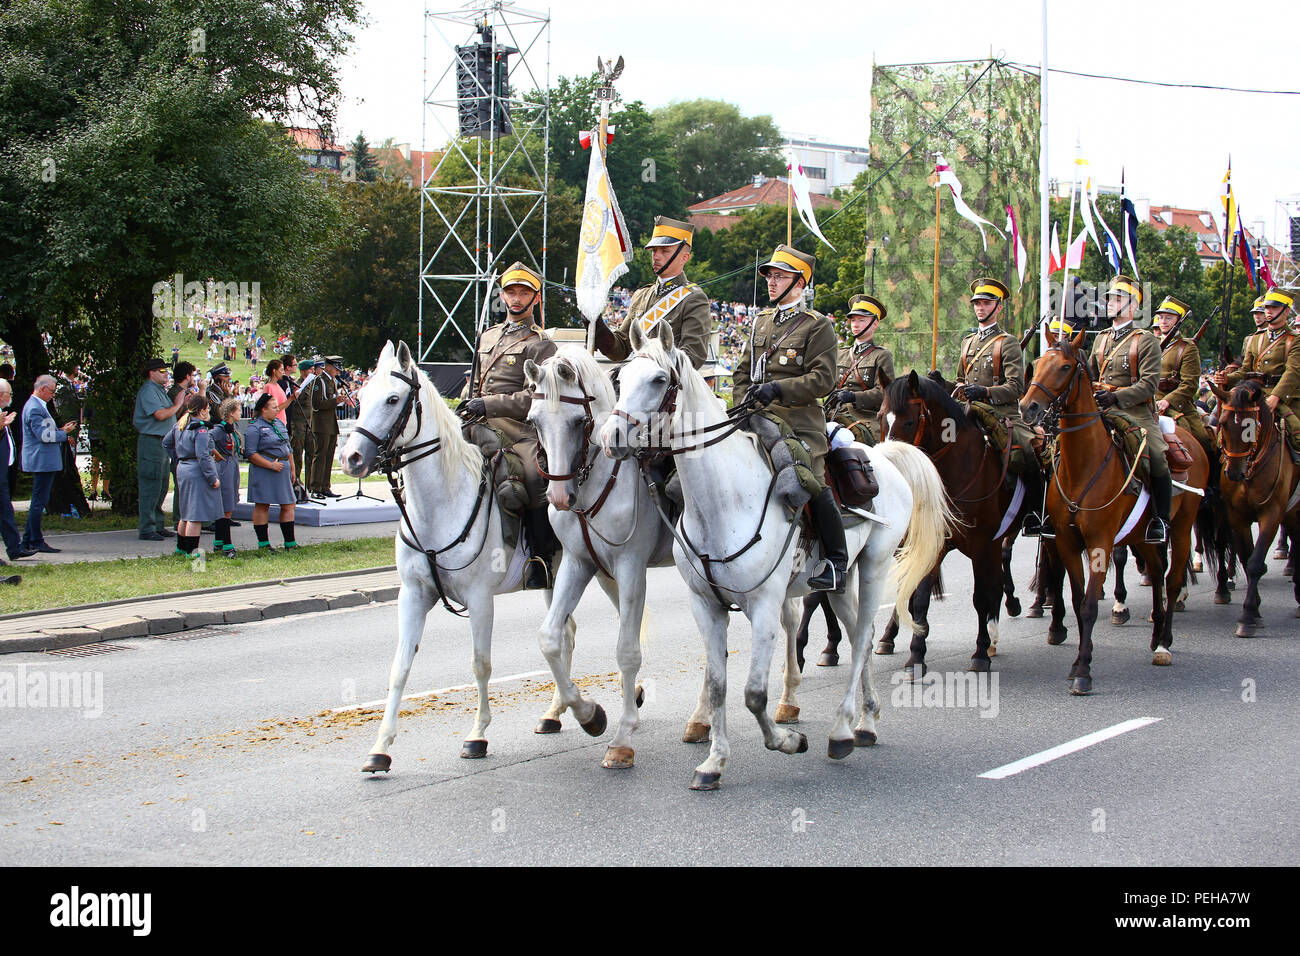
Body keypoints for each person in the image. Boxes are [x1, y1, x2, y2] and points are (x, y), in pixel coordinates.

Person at [732, 244, 845, 592]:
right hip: (755, 417)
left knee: (807, 476)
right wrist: (740, 406)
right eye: (769, 275)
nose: (771, 281)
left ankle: (835, 561)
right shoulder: (761, 322)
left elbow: (823, 381)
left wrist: (778, 390)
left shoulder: (818, 326)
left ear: (800, 283)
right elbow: (741, 372)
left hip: (799, 422)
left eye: (780, 276)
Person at [460, 262, 559, 589]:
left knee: (533, 478)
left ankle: (542, 560)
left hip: (517, 428)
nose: (516, 298)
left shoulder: (541, 342)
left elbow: (536, 397)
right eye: (511, 291)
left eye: (524, 292)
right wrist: (465, 401)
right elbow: (473, 380)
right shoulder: (487, 335)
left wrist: (487, 404)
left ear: (536, 298)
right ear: (501, 295)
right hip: (474, 418)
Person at [951, 277, 1048, 536]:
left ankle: (1035, 513)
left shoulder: (1008, 342)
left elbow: (1016, 387)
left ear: (998, 307)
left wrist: (985, 391)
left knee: (1027, 452)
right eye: (977, 303)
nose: (980, 308)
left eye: (986, 303)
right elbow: (961, 380)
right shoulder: (968, 342)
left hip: (1001, 413)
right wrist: (945, 384)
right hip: (968, 410)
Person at [1090, 274, 1170, 544]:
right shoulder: (1100, 339)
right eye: (1110, 298)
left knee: (1157, 455)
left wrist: (1116, 397)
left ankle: (1161, 519)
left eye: (1118, 299)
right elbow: (1090, 374)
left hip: (1135, 412)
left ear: (1133, 307)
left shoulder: (1145, 340)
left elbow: (1149, 385)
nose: (1111, 303)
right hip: (1100, 410)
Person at [590, 216, 711, 370]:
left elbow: (692, 357)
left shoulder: (693, 299)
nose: (656, 256)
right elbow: (620, 351)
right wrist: (597, 325)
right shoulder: (642, 295)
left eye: (665, 251)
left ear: (684, 257)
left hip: (671, 388)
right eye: (654, 251)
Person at [1218, 288, 1300, 463]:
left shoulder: (1295, 340)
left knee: (1297, 435)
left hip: (1282, 399)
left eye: (1274, 308)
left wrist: (1276, 397)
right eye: (1267, 307)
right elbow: (1245, 371)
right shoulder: (1255, 339)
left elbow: (1292, 373)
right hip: (1253, 396)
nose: (1268, 311)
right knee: (1224, 433)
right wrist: (1228, 378)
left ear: (1286, 311)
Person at [20, 374, 78, 554]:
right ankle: (35, 539)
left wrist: (61, 431)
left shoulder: (37, 406)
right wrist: (63, 434)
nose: (53, 395)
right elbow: (44, 436)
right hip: (42, 460)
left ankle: (29, 539)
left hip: (43, 459)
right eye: (52, 391)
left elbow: (45, 432)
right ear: (43, 389)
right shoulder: (35, 408)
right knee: (39, 501)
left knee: (39, 500)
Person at [828, 293, 894, 445]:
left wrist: (853, 397)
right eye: (853, 320)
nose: (855, 325)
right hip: (834, 415)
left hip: (865, 420)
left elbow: (884, 393)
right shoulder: (841, 353)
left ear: (875, 324)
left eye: (862, 320)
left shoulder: (881, 355)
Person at [1153, 295, 1212, 461]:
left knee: (1202, 439)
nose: (1163, 321)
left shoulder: (1187, 348)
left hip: (1177, 405)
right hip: (1150, 400)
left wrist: (1168, 400)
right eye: (1161, 317)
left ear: (1178, 320)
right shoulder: (1150, 344)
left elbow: (1190, 384)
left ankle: (1212, 484)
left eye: (1168, 318)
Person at [133, 358, 185, 541]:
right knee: (151, 484)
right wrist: (178, 404)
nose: (166, 373)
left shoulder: (158, 390)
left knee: (162, 484)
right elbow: (161, 414)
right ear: (151, 373)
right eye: (161, 370)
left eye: (166, 370)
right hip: (152, 442)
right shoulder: (148, 390)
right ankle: (147, 528)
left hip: (162, 442)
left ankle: (157, 524)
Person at [164, 392, 222, 557]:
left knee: (186, 512)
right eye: (208, 408)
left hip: (183, 467)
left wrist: (178, 457)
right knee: (195, 515)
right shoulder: (201, 429)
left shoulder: (180, 424)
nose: (209, 411)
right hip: (196, 470)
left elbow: (166, 443)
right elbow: (203, 455)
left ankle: (181, 548)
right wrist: (213, 478)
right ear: (202, 410)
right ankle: (192, 552)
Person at [244, 393, 297, 551]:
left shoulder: (279, 423)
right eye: (273, 407)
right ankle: (264, 544)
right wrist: (270, 465)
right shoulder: (255, 428)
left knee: (288, 504)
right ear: (263, 409)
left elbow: (288, 447)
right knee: (262, 504)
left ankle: (290, 543)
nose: (277, 410)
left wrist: (292, 468)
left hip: (283, 468)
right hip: (265, 470)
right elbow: (251, 454)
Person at [0, 379, 36, 564]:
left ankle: (15, 547)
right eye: (10, 394)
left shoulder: (2, 413)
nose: (11, 397)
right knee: (4, 510)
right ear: (1, 395)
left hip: (3, 471)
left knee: (5, 510)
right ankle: (14, 547)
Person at [308, 356, 348, 498]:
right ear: (329, 366)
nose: (337, 372)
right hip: (321, 424)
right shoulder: (319, 381)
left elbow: (330, 401)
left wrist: (339, 401)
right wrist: (334, 401)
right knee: (320, 456)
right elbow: (316, 404)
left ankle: (325, 486)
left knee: (329, 456)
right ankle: (315, 488)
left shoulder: (331, 381)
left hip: (330, 423)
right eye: (336, 369)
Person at [210, 397, 243, 557]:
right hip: (223, 467)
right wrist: (215, 454)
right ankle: (227, 545)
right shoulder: (219, 429)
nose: (241, 413)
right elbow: (207, 440)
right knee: (226, 507)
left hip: (232, 464)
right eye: (238, 410)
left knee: (228, 503)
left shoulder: (232, 428)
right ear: (230, 413)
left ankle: (218, 542)